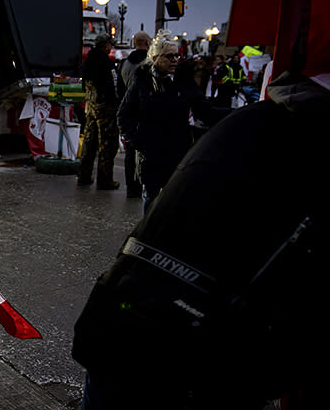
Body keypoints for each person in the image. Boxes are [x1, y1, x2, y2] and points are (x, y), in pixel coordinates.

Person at [73, 69, 330, 410]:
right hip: (184, 357)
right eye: (167, 55)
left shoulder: (249, 119)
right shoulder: (309, 147)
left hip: (119, 320)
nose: (173, 59)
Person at [117, 29, 206, 213]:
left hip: (178, 150)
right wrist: (138, 141)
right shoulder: (142, 81)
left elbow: (204, 109)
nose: (175, 60)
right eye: (169, 56)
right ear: (156, 57)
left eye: (177, 56)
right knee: (150, 197)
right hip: (151, 153)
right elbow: (123, 115)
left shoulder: (183, 81)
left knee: (175, 198)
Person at [77, 33, 120, 190]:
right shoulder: (106, 64)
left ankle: (84, 175)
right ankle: (105, 180)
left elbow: (84, 85)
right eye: (110, 45)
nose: (111, 48)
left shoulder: (88, 62)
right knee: (107, 144)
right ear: (106, 45)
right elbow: (111, 88)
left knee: (89, 141)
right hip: (105, 110)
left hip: (90, 107)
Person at [115, 31, 150, 198]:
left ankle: (131, 187)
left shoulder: (125, 64)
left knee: (131, 151)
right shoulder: (150, 62)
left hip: (129, 111)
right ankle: (145, 185)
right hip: (146, 111)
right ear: (147, 43)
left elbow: (120, 90)